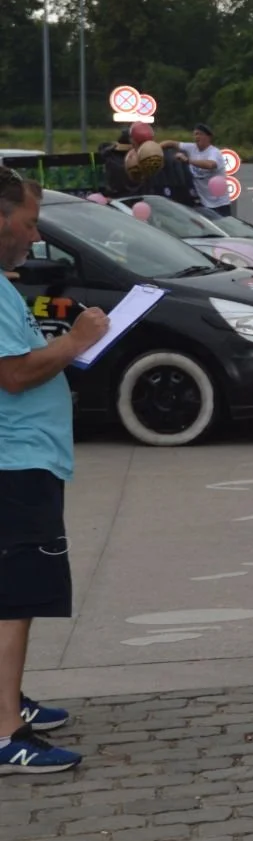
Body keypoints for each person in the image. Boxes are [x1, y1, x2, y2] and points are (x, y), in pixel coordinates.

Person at [0, 168, 108, 772]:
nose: (35, 236)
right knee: (13, 596)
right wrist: (74, 342)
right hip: (13, 463)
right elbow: (13, 374)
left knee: (19, 592)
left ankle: (8, 698)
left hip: (24, 459)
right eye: (30, 222)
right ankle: (4, 731)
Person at [163, 124, 229, 217]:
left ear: (208, 137)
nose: (197, 137)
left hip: (219, 203)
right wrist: (155, 148)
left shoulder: (214, 152)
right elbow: (171, 143)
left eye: (200, 134)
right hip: (203, 201)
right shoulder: (191, 148)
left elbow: (210, 164)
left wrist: (188, 160)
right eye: (195, 134)